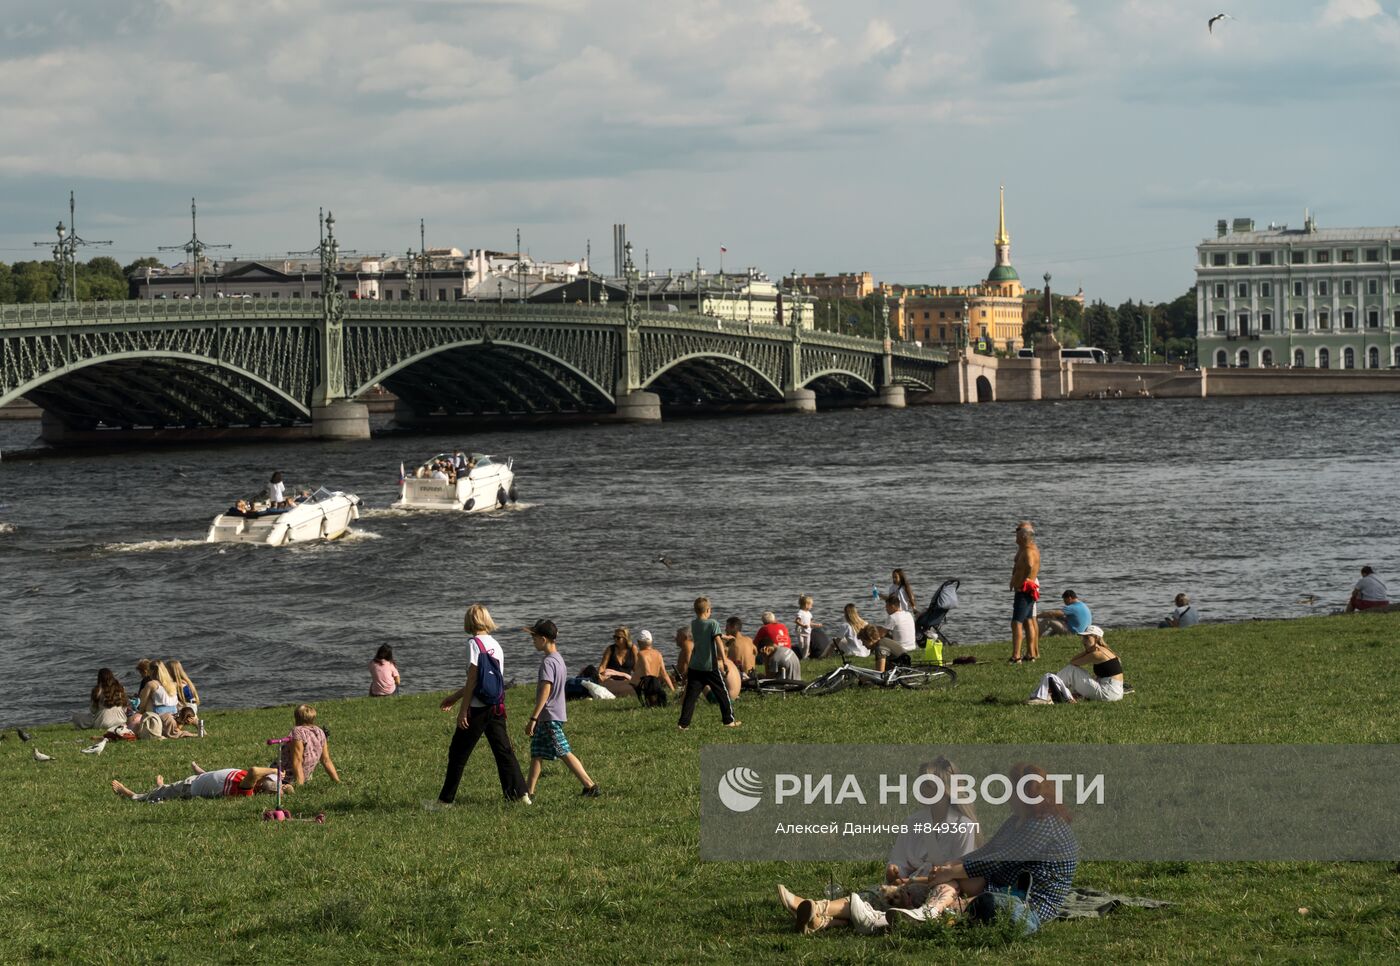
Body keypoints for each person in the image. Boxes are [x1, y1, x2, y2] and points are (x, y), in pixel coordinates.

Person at [779, 756, 980, 934]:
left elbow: (959, 873)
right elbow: (899, 860)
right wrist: (895, 872)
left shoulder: (963, 826)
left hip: (940, 893)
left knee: (939, 887)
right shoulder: (914, 821)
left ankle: (817, 911)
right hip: (906, 887)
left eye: (928, 784)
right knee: (877, 893)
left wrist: (914, 881)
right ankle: (819, 913)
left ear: (943, 789)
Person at [918, 763, 1079, 936]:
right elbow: (989, 849)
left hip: (1030, 898)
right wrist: (952, 866)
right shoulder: (1016, 821)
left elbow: (1000, 860)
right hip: (1003, 883)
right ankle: (930, 909)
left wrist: (951, 871)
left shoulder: (1044, 824)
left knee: (977, 898)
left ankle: (931, 911)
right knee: (955, 880)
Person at [435, 604, 529, 807]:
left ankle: (445, 801)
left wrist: (463, 710)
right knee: (504, 752)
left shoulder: (474, 644)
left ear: (469, 621)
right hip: (496, 707)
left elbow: (473, 679)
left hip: (478, 709)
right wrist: (454, 697)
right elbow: (487, 680)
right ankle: (520, 795)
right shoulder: (496, 644)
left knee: (458, 753)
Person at [523, 619, 600, 799]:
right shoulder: (558, 659)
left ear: (543, 639)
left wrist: (533, 718)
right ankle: (528, 793)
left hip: (549, 715)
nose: (532, 641)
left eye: (533, 638)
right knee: (537, 752)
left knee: (563, 750)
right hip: (552, 714)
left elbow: (546, 690)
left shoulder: (548, 663)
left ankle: (590, 786)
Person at [678, 597, 740, 731]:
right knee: (722, 693)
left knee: (691, 697)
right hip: (710, 666)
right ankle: (729, 720)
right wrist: (724, 661)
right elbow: (717, 642)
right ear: (708, 610)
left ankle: (683, 724)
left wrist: (724, 636)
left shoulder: (694, 624)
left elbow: (707, 635)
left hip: (695, 666)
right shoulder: (713, 623)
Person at [1026, 626, 1125, 705]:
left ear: (1096, 638)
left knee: (1071, 670)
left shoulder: (1096, 654)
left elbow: (1073, 662)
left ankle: (1046, 694)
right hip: (1115, 692)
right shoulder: (1105, 650)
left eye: (1087, 638)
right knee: (1074, 672)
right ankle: (1048, 691)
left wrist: (1086, 651)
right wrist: (1088, 650)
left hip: (1108, 693)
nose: (1083, 641)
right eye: (1083, 638)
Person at [111, 762, 281, 803]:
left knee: (159, 794)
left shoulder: (247, 789)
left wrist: (274, 771)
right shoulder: (249, 784)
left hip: (190, 786)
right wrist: (284, 788)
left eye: (264, 779)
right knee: (211, 777)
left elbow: (254, 771)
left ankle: (131, 794)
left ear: (258, 784)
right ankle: (202, 773)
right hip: (205, 779)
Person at [279, 704, 341, 785]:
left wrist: (300, 786)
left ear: (296, 717)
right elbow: (326, 760)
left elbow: (297, 760)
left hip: (285, 777)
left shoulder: (297, 732)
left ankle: (287, 786)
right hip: (305, 776)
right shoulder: (320, 731)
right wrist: (337, 781)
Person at [1009, 523, 1041, 664]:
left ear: (1023, 536)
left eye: (1017, 534)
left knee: (1017, 622)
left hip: (1024, 590)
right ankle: (1031, 654)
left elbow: (1029, 565)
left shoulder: (1028, 551)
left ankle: (1016, 656)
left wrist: (1024, 581)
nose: (1015, 537)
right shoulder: (1026, 548)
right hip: (1026, 588)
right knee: (1028, 620)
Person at [868, 594, 917, 673]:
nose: (886, 609)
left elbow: (881, 635)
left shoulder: (893, 617)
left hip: (901, 650)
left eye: (887, 607)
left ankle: (879, 664)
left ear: (893, 606)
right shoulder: (908, 614)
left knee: (881, 641)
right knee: (884, 633)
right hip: (912, 646)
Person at [630, 629, 676, 706]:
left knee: (614, 685)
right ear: (651, 642)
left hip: (639, 687)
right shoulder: (658, 654)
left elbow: (646, 673)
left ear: (639, 642)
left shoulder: (641, 654)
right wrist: (672, 690)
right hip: (654, 685)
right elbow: (664, 674)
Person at [597, 627, 638, 698]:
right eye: (614, 637)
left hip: (625, 680)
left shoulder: (633, 649)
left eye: (618, 637)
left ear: (625, 639)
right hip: (611, 680)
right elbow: (603, 666)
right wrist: (600, 676)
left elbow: (636, 668)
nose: (615, 639)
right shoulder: (610, 649)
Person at [794, 595, 821, 660]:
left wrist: (816, 625)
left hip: (808, 632)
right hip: (800, 631)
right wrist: (803, 625)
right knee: (802, 644)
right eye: (811, 605)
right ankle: (804, 656)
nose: (812, 606)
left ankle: (804, 658)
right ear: (806, 605)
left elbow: (810, 623)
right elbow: (796, 621)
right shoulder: (800, 612)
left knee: (807, 645)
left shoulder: (809, 614)